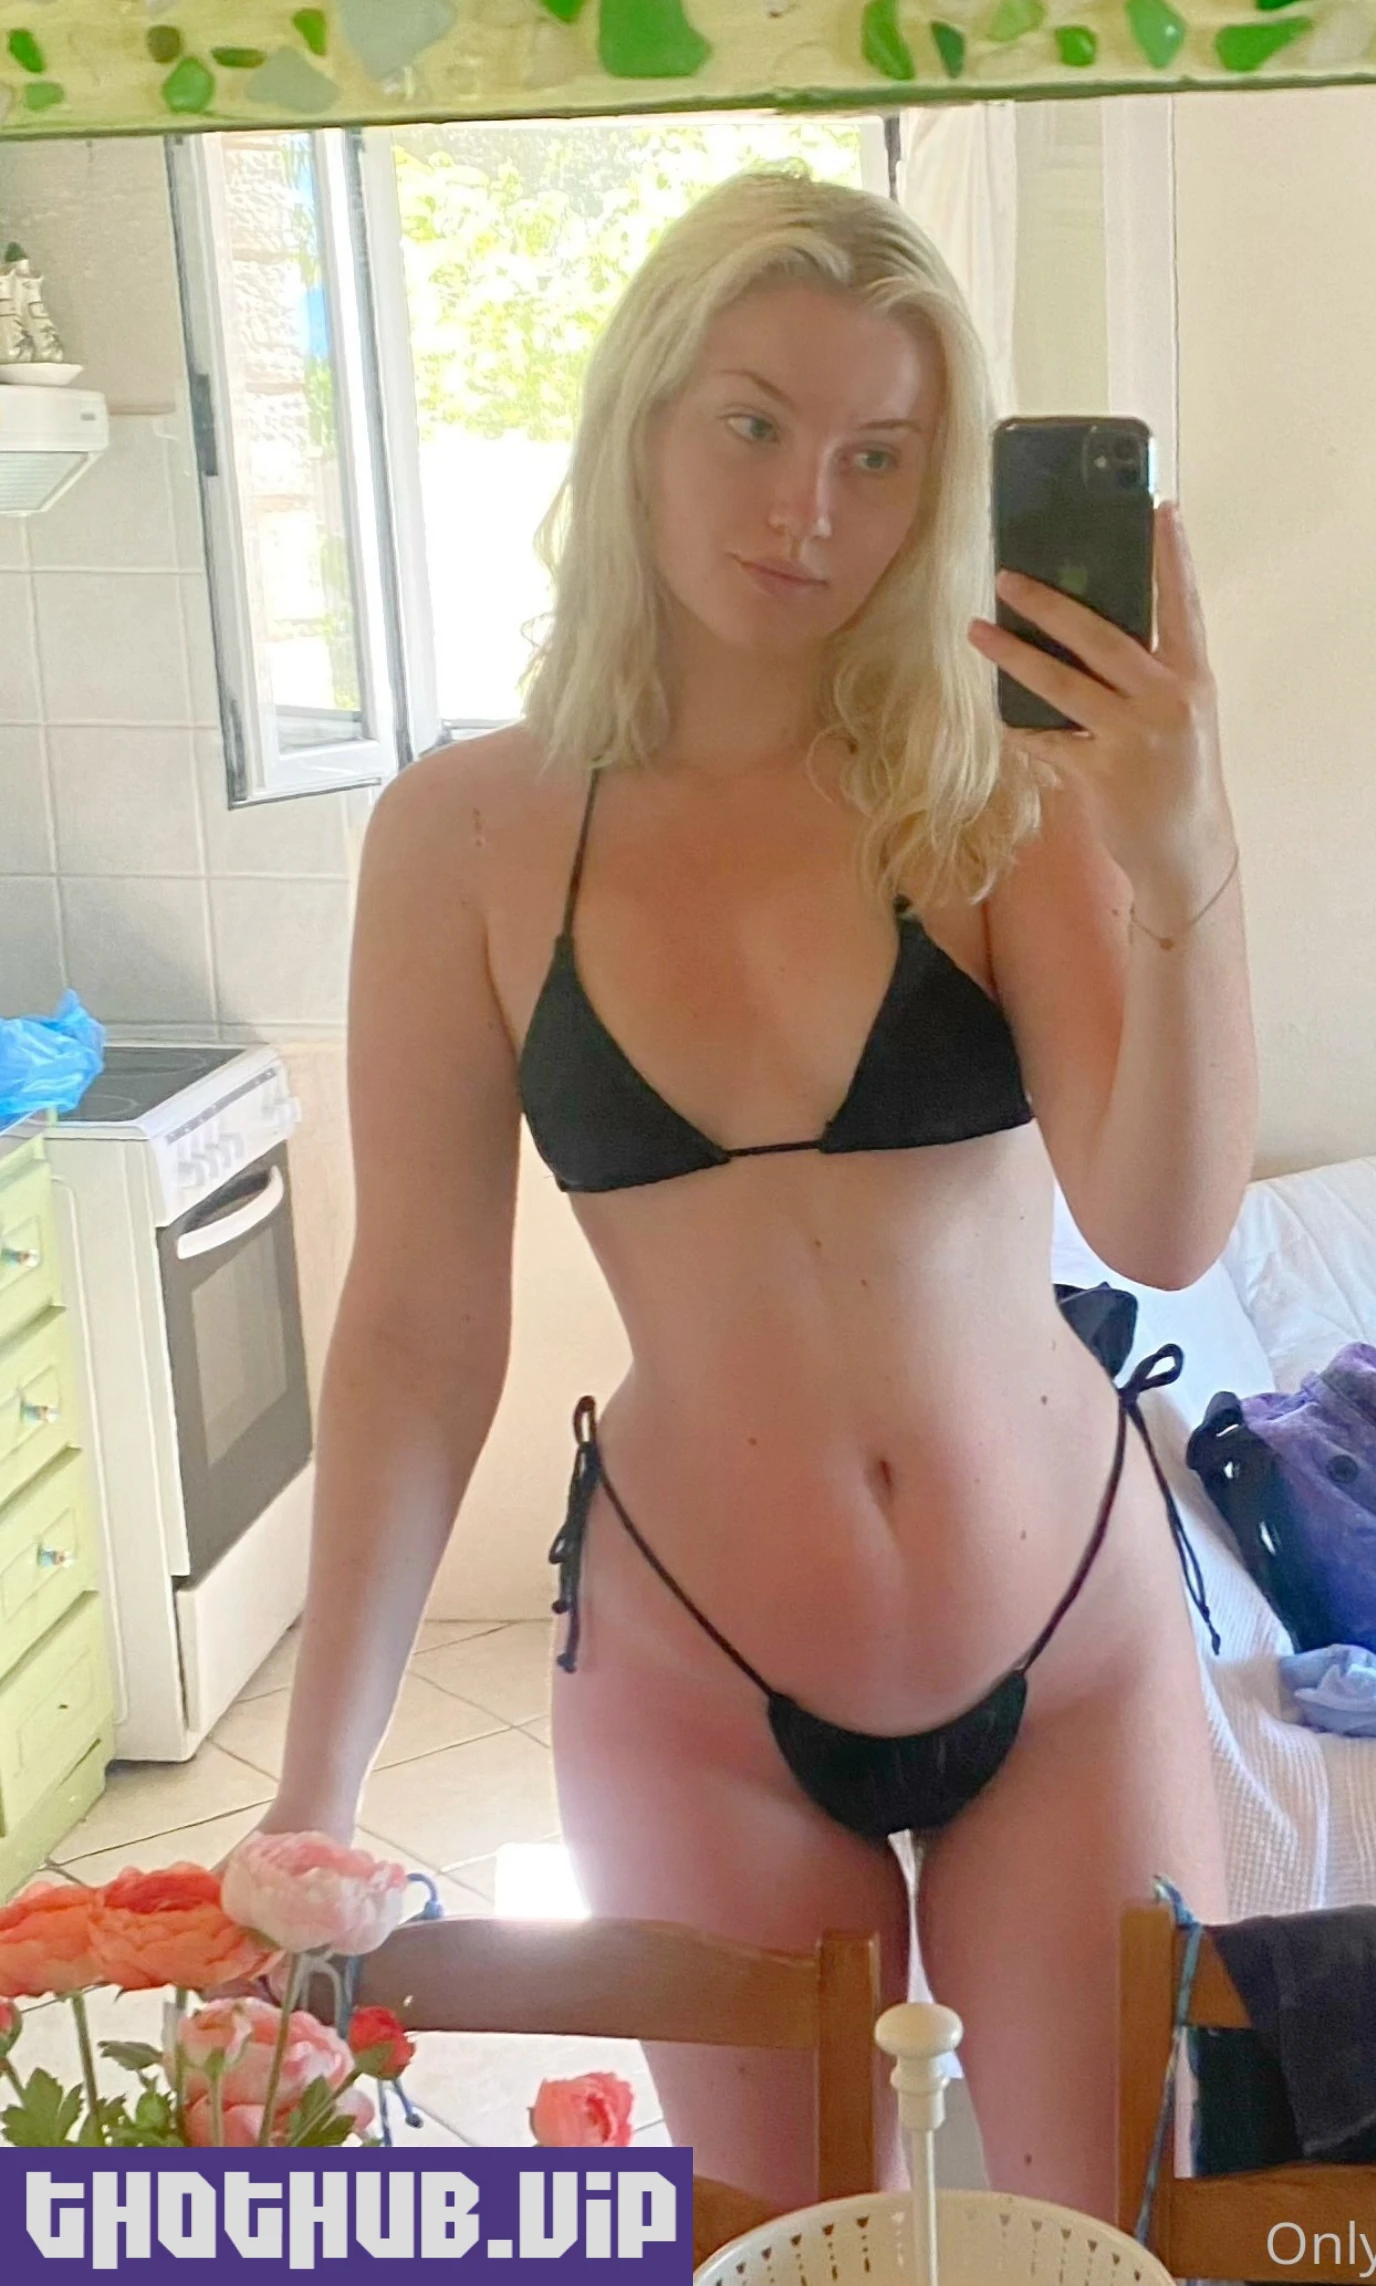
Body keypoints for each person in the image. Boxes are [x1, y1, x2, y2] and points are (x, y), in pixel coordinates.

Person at [258, 170, 1257, 2216]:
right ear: (639, 414)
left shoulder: (1000, 784)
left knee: (1115, 2242)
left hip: (1069, 1645)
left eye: (880, 455)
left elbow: (1162, 1226)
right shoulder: (461, 834)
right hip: (695, 1681)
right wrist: (313, 1792)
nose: (809, 508)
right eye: (753, 424)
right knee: (788, 2249)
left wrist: (1184, 862)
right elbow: (420, 1328)